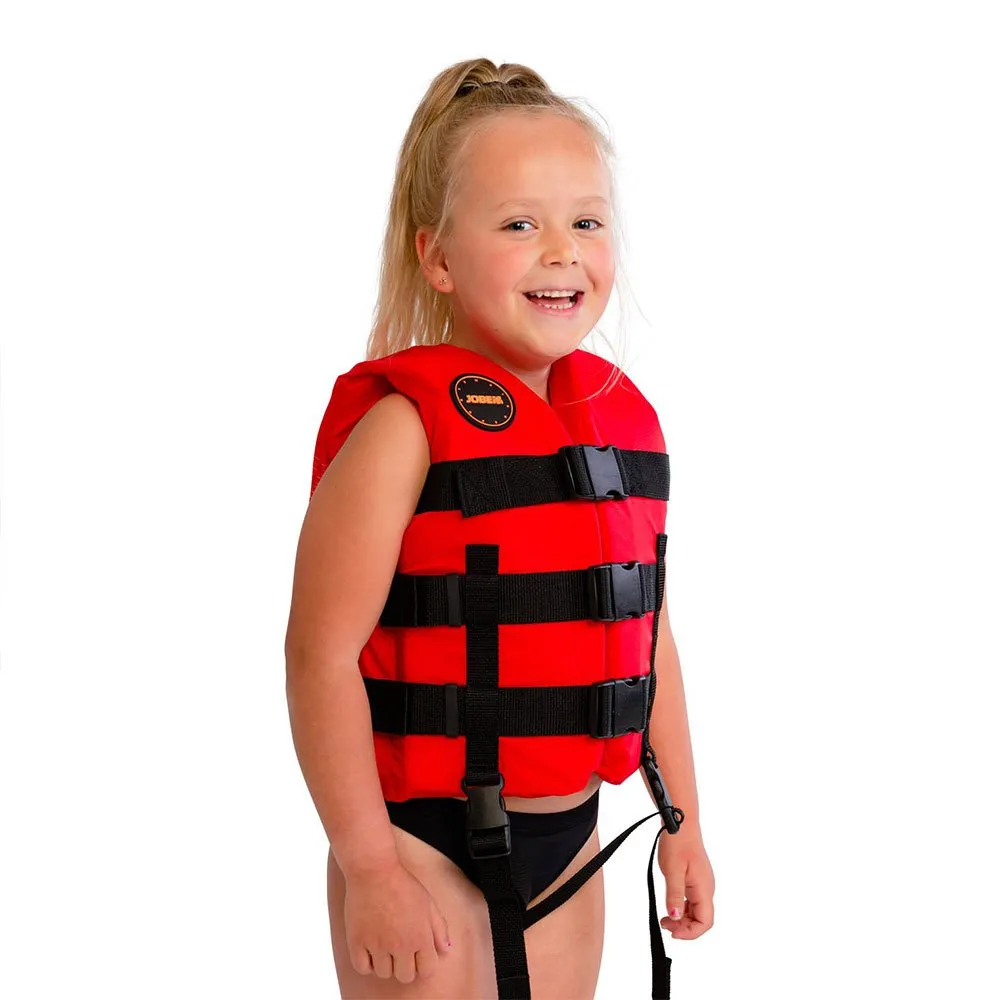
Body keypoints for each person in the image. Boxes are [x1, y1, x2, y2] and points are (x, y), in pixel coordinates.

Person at [285, 57, 715, 1000]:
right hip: (420, 846)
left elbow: (648, 639)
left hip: (571, 840)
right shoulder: (403, 429)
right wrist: (369, 867)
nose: (561, 251)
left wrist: (680, 820)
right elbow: (319, 656)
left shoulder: (616, 430)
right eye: (520, 224)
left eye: (586, 222)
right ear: (438, 258)